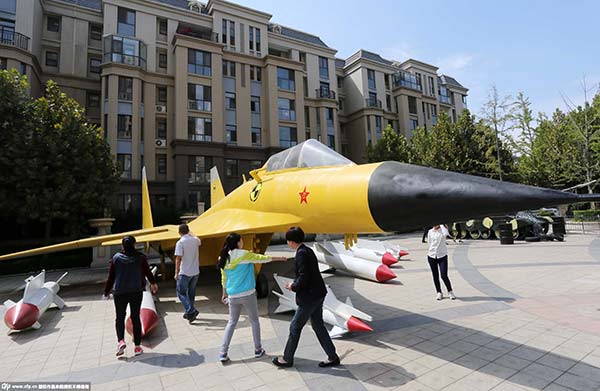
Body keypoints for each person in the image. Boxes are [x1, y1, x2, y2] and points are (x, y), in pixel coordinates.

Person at [272, 227, 340, 368]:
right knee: (318, 326)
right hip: (318, 294)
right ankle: (332, 356)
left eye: (288, 241)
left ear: (291, 241)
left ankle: (287, 359)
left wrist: (293, 286)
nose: (287, 243)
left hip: (309, 298)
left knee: (295, 327)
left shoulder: (301, 254)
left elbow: (304, 277)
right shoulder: (307, 250)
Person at [218, 233, 287, 363]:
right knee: (254, 321)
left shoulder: (223, 257)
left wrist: (224, 294)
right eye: (241, 240)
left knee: (231, 323)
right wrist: (280, 258)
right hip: (248, 294)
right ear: (238, 243)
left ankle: (223, 352)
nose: (242, 242)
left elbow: (224, 279)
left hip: (232, 295)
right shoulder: (243, 254)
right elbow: (262, 258)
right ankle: (258, 349)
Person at [103, 236, 158, 357]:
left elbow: (111, 277)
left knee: (120, 317)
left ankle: (121, 341)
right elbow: (148, 272)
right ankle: (137, 347)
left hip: (120, 292)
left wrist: (106, 292)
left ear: (122, 245)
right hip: (136, 291)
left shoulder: (116, 258)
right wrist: (153, 283)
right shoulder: (140, 257)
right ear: (134, 244)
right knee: (135, 317)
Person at [174, 224, 201, 323]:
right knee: (191, 293)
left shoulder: (180, 242)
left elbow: (178, 258)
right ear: (188, 230)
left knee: (181, 292)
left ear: (179, 232)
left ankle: (191, 310)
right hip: (195, 271)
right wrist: (191, 233)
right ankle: (189, 313)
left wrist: (176, 272)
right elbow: (198, 239)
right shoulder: (195, 240)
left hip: (185, 272)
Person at [427, 224, 456, 300]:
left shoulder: (443, 231)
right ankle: (439, 292)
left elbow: (446, 234)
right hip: (432, 255)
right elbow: (429, 243)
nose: (435, 225)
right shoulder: (430, 231)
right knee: (435, 276)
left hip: (442, 256)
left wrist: (442, 226)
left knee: (443, 275)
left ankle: (450, 291)